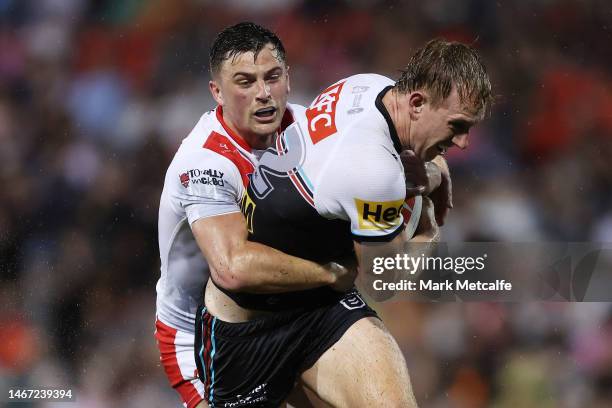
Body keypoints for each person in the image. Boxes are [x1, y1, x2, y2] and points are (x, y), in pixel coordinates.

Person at [196, 38, 493, 407]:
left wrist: (433, 173)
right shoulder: (373, 172)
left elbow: (394, 167)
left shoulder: (369, 85)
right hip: (244, 330)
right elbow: (383, 280)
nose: (464, 142)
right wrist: (430, 229)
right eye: (458, 125)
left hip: (323, 311)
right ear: (417, 103)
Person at [155, 22, 356, 408]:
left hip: (286, 312)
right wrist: (331, 273)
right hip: (206, 343)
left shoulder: (307, 128)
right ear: (217, 92)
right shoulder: (204, 161)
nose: (263, 94)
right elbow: (232, 268)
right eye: (244, 82)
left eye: (272, 77)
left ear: (288, 79)